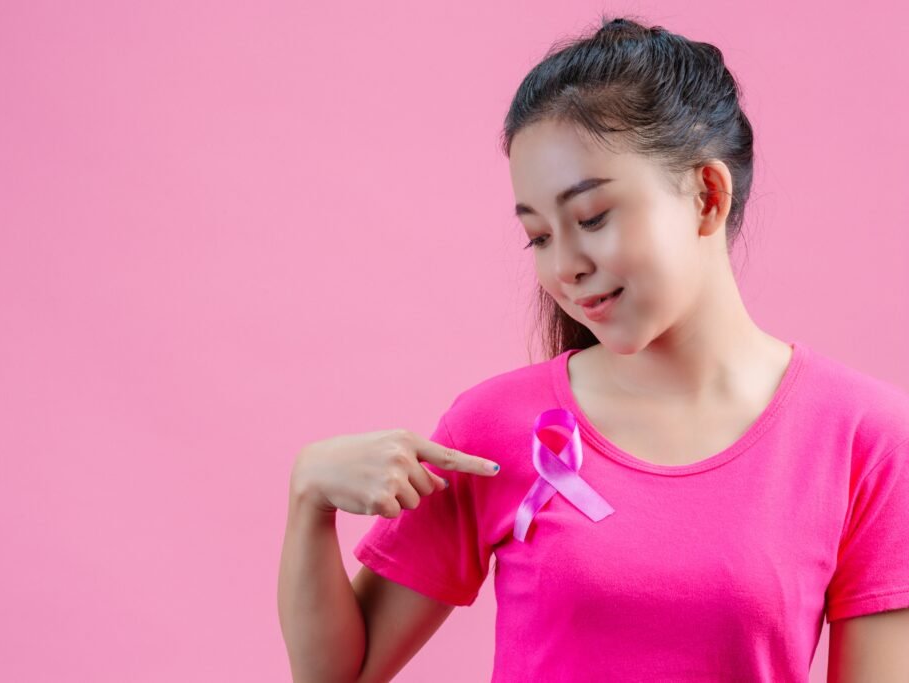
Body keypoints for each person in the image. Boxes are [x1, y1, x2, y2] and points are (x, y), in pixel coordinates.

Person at [277, 15, 909, 682]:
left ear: (707, 197)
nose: (565, 268)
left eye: (593, 218)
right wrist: (307, 501)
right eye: (539, 236)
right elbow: (336, 675)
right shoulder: (493, 428)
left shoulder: (865, 438)